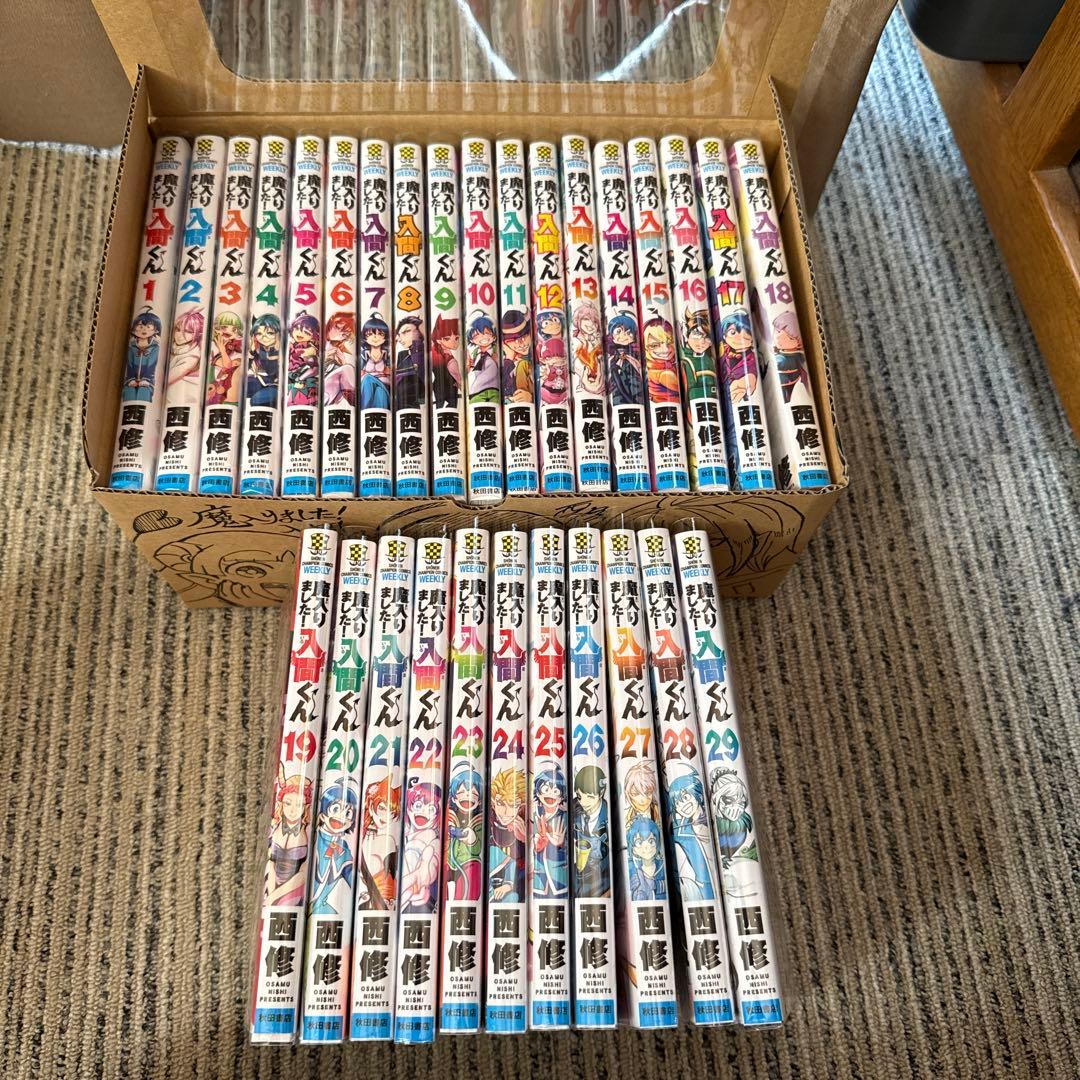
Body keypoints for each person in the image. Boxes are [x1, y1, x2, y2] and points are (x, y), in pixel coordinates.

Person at [308, 779, 359, 915]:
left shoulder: (344, 846)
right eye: (336, 809)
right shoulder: (314, 839)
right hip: (302, 902)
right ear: (322, 814)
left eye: (348, 813)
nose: (341, 816)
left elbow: (349, 872)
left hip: (322, 909)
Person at [265, 770, 312, 907]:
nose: (292, 811)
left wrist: (273, 897)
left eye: (299, 804)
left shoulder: (309, 831)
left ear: (305, 806)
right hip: (270, 888)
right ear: (281, 804)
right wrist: (271, 896)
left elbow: (302, 874)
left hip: (294, 890)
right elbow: (270, 864)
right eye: (288, 803)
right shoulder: (274, 828)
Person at [667, 773, 716, 901]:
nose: (683, 804)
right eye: (677, 803)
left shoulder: (716, 819)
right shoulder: (679, 834)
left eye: (685, 797)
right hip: (702, 888)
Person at [357, 776, 401, 909]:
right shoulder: (364, 838)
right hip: (372, 904)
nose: (386, 816)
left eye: (392, 812)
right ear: (371, 806)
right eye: (381, 808)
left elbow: (392, 876)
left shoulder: (389, 840)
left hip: (385, 903)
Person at [398, 781, 442, 912]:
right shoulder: (403, 834)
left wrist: (424, 873)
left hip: (417, 904)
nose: (423, 812)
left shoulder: (432, 838)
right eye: (418, 805)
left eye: (431, 809)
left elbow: (432, 861)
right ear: (408, 807)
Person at [488, 767, 527, 902]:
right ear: (493, 803)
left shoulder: (524, 828)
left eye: (512, 805)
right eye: (500, 803)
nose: (505, 812)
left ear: (520, 806)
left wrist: (526, 841)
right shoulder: (488, 824)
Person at [445, 766, 484, 900]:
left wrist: (473, 841)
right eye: (462, 792)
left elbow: (478, 848)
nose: (467, 795)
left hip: (468, 861)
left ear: (479, 801)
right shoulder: (449, 817)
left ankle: (464, 900)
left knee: (473, 870)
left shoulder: (479, 822)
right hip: (449, 861)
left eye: (474, 794)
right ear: (454, 798)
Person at [572, 765, 610, 897]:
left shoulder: (609, 815)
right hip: (576, 881)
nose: (584, 802)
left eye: (590, 796)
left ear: (601, 793)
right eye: (579, 796)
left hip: (602, 881)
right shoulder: (573, 809)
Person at [531, 762, 568, 897]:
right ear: (538, 792)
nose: (551, 794)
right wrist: (536, 847)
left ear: (562, 796)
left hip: (559, 877)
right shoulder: (534, 815)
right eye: (546, 789)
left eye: (556, 791)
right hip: (538, 878)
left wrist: (561, 844)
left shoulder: (564, 817)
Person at [717, 308, 758, 403]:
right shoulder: (723, 350)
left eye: (746, 332)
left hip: (741, 399)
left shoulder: (751, 358)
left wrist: (748, 380)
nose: (739, 338)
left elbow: (752, 371)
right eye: (733, 332)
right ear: (724, 336)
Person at [167, 307, 206, 406]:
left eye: (188, 332)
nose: (180, 335)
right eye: (178, 329)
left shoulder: (193, 356)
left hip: (182, 399)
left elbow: (167, 379)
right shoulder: (174, 347)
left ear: (198, 334)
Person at [679, 307, 718, 400]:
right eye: (697, 334)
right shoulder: (685, 361)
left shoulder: (711, 360)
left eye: (707, 337)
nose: (702, 341)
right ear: (686, 333)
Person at [606, 310, 643, 406]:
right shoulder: (612, 359)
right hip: (617, 398)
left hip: (636, 394)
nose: (624, 335)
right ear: (611, 336)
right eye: (618, 331)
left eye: (629, 332)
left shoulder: (635, 358)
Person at [771, 310, 810, 403]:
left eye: (790, 338)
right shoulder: (782, 355)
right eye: (778, 331)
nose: (779, 337)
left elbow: (778, 363)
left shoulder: (787, 358)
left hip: (788, 388)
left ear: (799, 342)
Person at [207, 311, 244, 406]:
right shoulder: (213, 346)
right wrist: (222, 349)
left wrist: (223, 350)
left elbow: (232, 364)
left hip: (229, 393)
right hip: (214, 389)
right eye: (223, 327)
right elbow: (227, 364)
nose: (228, 330)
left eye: (235, 329)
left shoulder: (235, 348)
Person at [124, 310, 162, 402]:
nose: (144, 330)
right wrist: (131, 379)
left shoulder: (155, 348)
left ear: (156, 330)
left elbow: (152, 366)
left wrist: (146, 379)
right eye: (140, 326)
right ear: (134, 329)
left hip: (148, 380)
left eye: (149, 327)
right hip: (132, 379)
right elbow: (129, 365)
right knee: (129, 391)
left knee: (144, 391)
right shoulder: (132, 347)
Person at [642, 313, 679, 402]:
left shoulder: (669, 364)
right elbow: (688, 385)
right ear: (645, 347)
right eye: (655, 345)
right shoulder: (663, 374)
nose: (665, 349)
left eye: (669, 342)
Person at [627, 816, 666, 901]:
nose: (646, 847)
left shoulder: (663, 866)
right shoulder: (633, 870)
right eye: (639, 842)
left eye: (651, 841)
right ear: (634, 849)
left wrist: (655, 885)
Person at [246, 314, 281, 408]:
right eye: (259, 333)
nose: (263, 337)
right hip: (256, 381)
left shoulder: (280, 350)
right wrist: (251, 352)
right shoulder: (257, 348)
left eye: (270, 333)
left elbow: (271, 371)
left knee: (257, 401)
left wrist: (273, 352)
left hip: (274, 385)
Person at [322, 311, 356, 406]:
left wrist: (342, 363)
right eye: (337, 327)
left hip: (332, 394)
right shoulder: (316, 343)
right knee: (347, 369)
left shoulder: (338, 351)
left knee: (347, 368)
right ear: (330, 323)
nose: (339, 333)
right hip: (316, 390)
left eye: (345, 334)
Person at [466, 310, 500, 404]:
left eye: (486, 333)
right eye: (477, 335)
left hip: (494, 389)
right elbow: (470, 370)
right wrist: (469, 366)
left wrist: (497, 361)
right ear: (472, 340)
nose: (483, 337)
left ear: (494, 336)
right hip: (478, 392)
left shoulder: (496, 352)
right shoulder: (475, 354)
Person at [286, 313, 320, 406]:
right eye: (297, 329)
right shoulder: (291, 346)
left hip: (304, 380)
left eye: (307, 333)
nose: (300, 334)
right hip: (290, 378)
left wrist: (300, 379)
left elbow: (315, 369)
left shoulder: (310, 350)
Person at [571, 301, 605, 396]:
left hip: (598, 388)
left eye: (594, 321)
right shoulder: (576, 342)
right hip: (581, 388)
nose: (591, 324)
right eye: (586, 319)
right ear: (578, 321)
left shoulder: (599, 341)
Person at [358, 315, 391, 411]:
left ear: (385, 336)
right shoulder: (363, 355)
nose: (375, 337)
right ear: (365, 337)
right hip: (368, 389)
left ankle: (365, 409)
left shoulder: (387, 355)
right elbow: (359, 375)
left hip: (385, 386)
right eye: (370, 334)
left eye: (380, 334)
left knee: (370, 380)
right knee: (377, 390)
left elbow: (392, 375)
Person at [500, 310, 534, 402]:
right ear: (505, 343)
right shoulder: (506, 363)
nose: (521, 344)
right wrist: (509, 358)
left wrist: (531, 398)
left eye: (524, 336)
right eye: (513, 340)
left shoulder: (537, 356)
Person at [430, 314, 461, 408]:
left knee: (443, 408)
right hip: (447, 387)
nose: (454, 343)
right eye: (447, 339)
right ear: (439, 340)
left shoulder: (436, 351)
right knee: (448, 407)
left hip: (440, 386)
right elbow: (455, 373)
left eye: (457, 338)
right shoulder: (443, 356)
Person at [394, 316, 425, 410]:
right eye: (399, 335)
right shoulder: (403, 356)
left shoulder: (425, 354)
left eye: (405, 332)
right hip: (401, 407)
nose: (399, 339)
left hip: (419, 406)